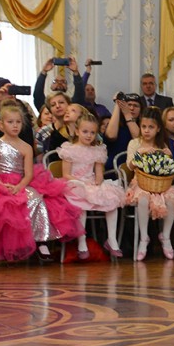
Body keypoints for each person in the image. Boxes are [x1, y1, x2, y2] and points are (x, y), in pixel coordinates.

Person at [0, 101, 82, 263]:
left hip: (22, 183)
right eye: (10, 122)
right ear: (1, 125)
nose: (15, 126)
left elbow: (28, 174)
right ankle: (12, 246)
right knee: (7, 206)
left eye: (18, 122)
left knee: (36, 198)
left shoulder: (27, 147)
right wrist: (3, 186)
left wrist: (19, 186)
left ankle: (40, 240)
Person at [57, 111, 125, 260]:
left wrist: (97, 183)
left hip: (91, 182)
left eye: (92, 132)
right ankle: (82, 242)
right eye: (85, 131)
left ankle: (111, 239)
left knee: (112, 200)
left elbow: (99, 173)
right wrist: (81, 183)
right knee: (81, 205)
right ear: (77, 131)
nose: (89, 135)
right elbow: (66, 174)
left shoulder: (97, 150)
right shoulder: (69, 149)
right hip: (74, 183)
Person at [124, 107, 174, 261]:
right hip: (140, 183)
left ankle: (165, 236)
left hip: (160, 185)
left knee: (172, 199)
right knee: (143, 200)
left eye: (151, 127)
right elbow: (130, 166)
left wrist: (169, 157)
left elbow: (168, 168)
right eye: (144, 126)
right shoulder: (134, 143)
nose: (146, 130)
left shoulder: (162, 144)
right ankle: (144, 238)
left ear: (158, 129)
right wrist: (141, 153)